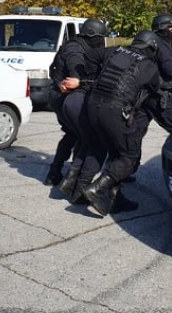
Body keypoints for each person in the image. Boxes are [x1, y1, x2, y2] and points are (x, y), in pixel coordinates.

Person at [79, 30, 162, 216]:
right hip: (114, 111)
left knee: (113, 151)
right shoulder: (149, 65)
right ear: (151, 48)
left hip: (92, 106)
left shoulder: (115, 51)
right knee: (129, 157)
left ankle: (115, 199)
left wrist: (93, 77)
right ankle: (97, 189)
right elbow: (154, 92)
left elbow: (91, 55)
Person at [44, 19, 107, 187]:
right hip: (65, 99)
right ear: (93, 36)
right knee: (84, 137)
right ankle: (72, 178)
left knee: (72, 135)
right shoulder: (76, 51)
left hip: (59, 97)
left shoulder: (74, 44)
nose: (102, 41)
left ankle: (55, 173)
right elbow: (76, 78)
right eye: (101, 37)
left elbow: (52, 69)